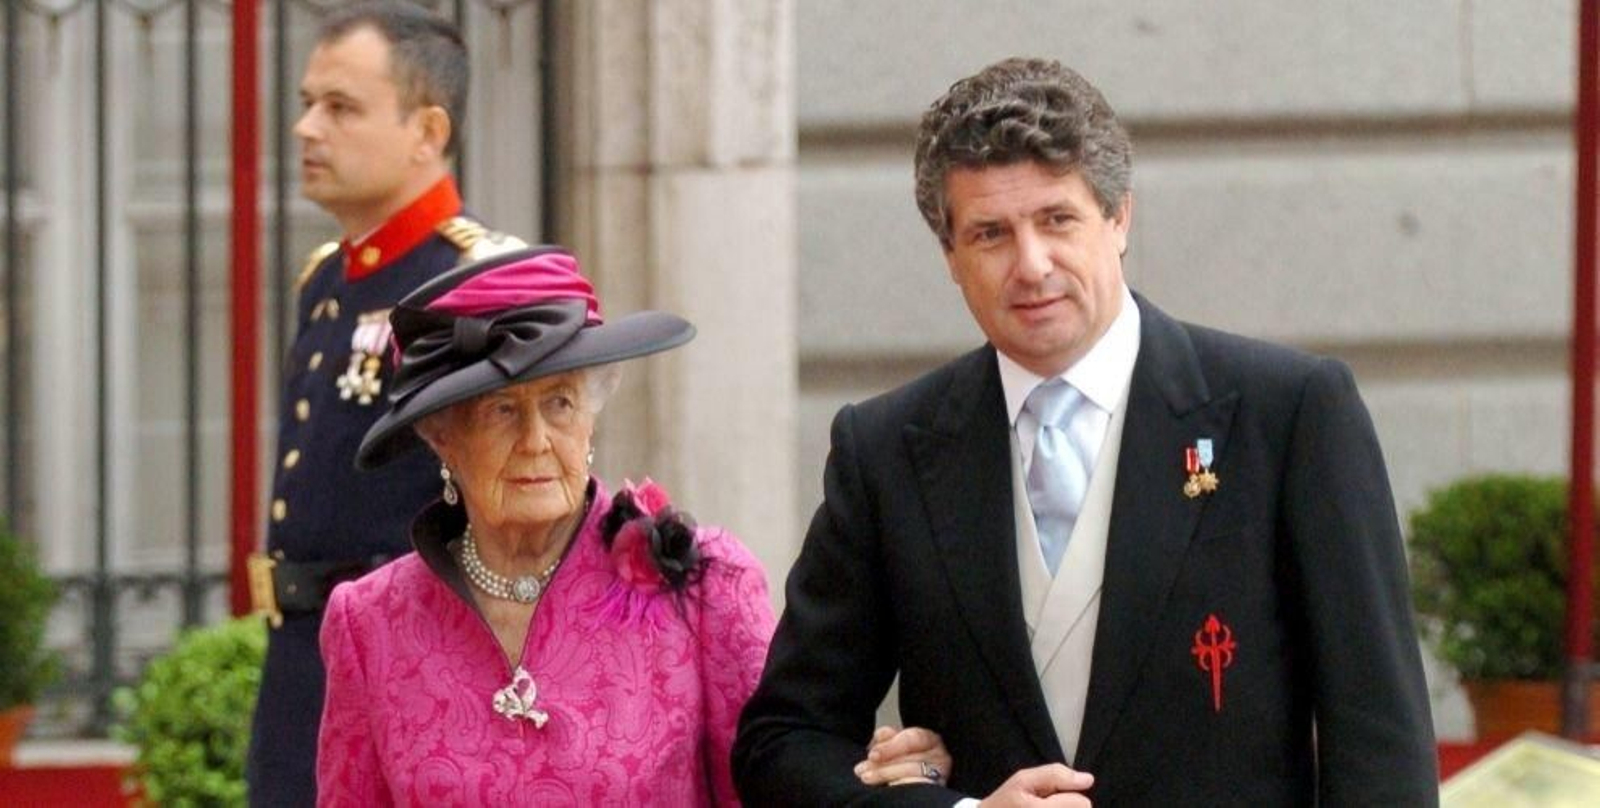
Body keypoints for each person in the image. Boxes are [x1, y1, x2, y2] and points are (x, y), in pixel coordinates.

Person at [734, 57, 1439, 806]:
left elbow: (1382, 747)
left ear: (1119, 218)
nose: (1031, 265)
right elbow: (783, 741)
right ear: (949, 256)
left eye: (1057, 220)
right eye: (990, 234)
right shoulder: (886, 452)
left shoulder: (1287, 415)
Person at [313, 246, 943, 805]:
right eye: (502, 411)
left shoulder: (700, 586)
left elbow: (783, 782)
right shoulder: (369, 624)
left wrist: (892, 784)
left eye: (559, 403)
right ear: (442, 438)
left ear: (589, 417)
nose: (536, 441)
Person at [245, 4, 523, 805]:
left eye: (341, 107)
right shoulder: (327, 282)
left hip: (417, 668)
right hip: (303, 664)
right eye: (306, 102)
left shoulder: (481, 285)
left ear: (427, 131)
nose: (305, 128)